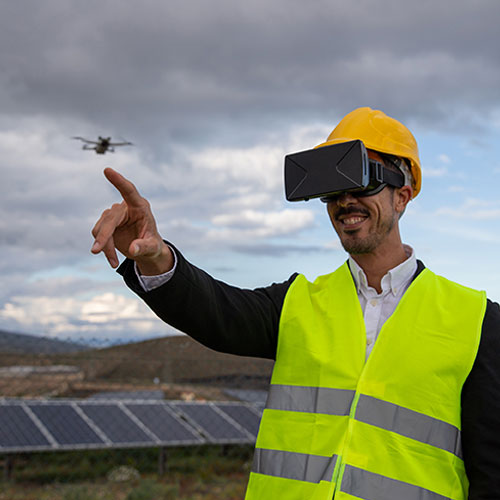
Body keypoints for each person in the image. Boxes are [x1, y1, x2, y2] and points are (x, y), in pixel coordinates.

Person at [91, 107, 500, 499]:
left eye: (362, 181)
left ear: (403, 196)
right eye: (332, 189)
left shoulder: (477, 321)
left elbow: (491, 476)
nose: (345, 201)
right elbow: (214, 312)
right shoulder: (298, 303)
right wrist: (157, 257)